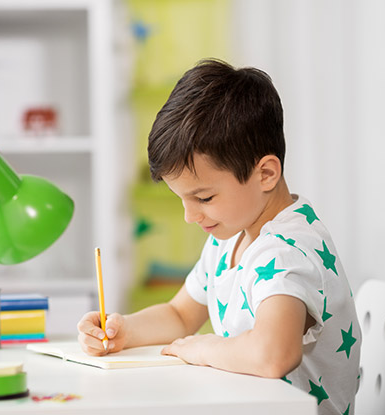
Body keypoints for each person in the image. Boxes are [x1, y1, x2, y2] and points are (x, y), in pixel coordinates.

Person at [77, 59, 360, 415]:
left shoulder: (288, 251)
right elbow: (180, 315)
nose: (189, 215)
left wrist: (202, 349)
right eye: (182, 199)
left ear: (266, 174)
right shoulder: (230, 237)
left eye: (204, 198)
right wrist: (123, 330)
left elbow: (273, 354)